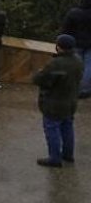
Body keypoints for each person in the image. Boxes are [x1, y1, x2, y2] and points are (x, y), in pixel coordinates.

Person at [33, 35, 84, 167]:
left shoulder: (56, 63)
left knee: (52, 129)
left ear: (59, 47)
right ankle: (68, 154)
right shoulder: (78, 61)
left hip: (54, 102)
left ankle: (54, 158)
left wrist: (39, 73)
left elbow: (40, 79)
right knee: (67, 127)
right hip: (71, 101)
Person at [61, 0, 91, 99]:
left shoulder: (73, 13)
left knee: (74, 65)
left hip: (75, 43)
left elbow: (66, 28)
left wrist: (62, 41)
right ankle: (84, 89)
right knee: (89, 67)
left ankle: (70, 88)